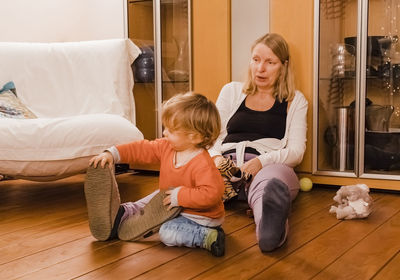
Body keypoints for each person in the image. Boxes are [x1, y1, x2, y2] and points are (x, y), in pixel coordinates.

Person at [84, 92, 226, 257]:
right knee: (150, 201)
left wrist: (180, 196)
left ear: (194, 137)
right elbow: (143, 149)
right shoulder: (167, 146)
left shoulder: (202, 164)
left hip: (199, 218)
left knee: (167, 233)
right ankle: (120, 216)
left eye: (171, 130)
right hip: (170, 201)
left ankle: (208, 237)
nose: (165, 133)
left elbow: (212, 194)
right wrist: (113, 154)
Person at [208, 33, 308, 252]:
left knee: (270, 186)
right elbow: (212, 135)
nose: (260, 69)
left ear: (283, 66)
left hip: (267, 167)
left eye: (270, 62)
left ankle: (270, 232)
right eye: (256, 60)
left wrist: (261, 163)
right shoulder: (231, 90)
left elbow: (296, 152)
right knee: (188, 184)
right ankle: (129, 214)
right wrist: (215, 158)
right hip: (226, 166)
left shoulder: (295, 100)